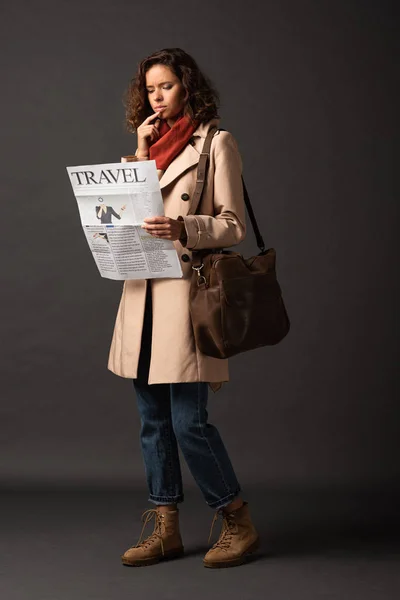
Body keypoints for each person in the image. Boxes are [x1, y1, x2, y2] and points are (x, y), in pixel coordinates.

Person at [107, 47, 259, 569]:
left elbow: (234, 225)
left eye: (166, 86)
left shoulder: (217, 143)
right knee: (151, 420)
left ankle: (237, 519)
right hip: (140, 295)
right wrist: (140, 149)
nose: (157, 96)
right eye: (149, 89)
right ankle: (165, 525)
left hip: (186, 300)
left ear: (188, 86)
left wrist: (184, 228)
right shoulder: (145, 151)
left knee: (188, 422)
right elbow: (129, 218)